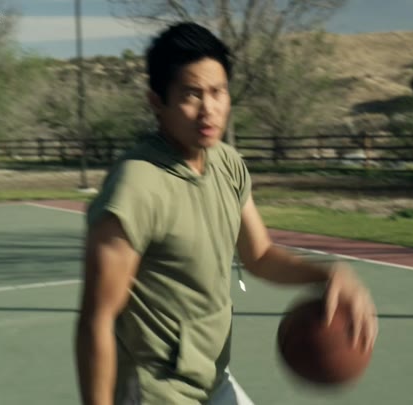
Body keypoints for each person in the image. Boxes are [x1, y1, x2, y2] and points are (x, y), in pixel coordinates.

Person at [75, 22, 378, 405]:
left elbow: (260, 256)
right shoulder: (135, 187)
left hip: (212, 377)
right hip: (156, 390)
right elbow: (97, 320)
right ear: (156, 102)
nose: (209, 109)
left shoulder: (227, 164)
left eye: (217, 92)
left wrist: (329, 273)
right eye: (191, 95)